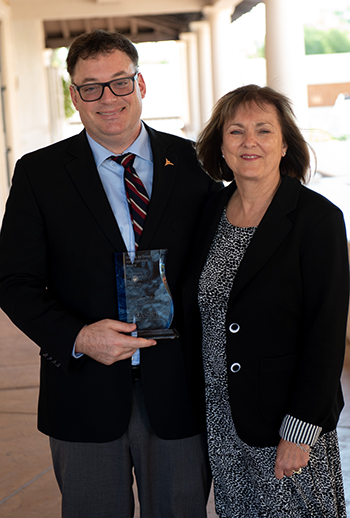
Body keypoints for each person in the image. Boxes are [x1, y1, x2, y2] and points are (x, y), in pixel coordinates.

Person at [0, 29, 221, 518]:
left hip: (180, 387)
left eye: (120, 82)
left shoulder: (197, 163)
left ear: (141, 84)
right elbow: (13, 281)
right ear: (74, 96)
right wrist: (78, 336)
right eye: (90, 86)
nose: (108, 98)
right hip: (83, 388)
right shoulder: (39, 174)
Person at [182, 84, 350, 517]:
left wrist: (301, 429)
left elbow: (326, 333)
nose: (249, 142)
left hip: (287, 423)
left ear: (285, 144)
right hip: (222, 417)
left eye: (263, 130)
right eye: (236, 131)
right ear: (220, 146)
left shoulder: (318, 219)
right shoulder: (210, 212)